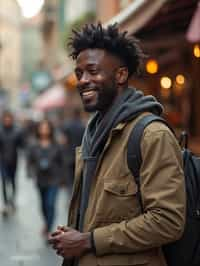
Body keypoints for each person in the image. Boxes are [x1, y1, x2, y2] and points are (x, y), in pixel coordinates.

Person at [49, 23, 186, 266]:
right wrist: (74, 232)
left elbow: (168, 221)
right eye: (79, 73)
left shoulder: (151, 135)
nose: (82, 80)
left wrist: (88, 240)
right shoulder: (93, 133)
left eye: (92, 71)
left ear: (121, 75)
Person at [27, 119, 63, 240]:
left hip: (54, 179)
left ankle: (48, 228)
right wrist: (31, 173)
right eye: (42, 128)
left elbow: (62, 161)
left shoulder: (57, 144)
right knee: (43, 205)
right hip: (40, 179)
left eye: (46, 128)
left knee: (50, 204)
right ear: (38, 130)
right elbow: (30, 161)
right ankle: (46, 223)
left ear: (50, 130)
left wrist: (63, 179)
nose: (44, 130)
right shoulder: (34, 145)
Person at [0, 110, 24, 215]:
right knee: (5, 181)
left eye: (9, 118)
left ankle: (13, 200)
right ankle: (6, 203)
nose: (7, 120)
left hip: (14, 161)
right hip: (3, 161)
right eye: (5, 118)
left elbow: (22, 145)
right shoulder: (0, 131)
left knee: (13, 181)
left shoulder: (17, 131)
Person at [61, 107, 85, 196]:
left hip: (69, 155)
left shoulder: (67, 125)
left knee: (70, 179)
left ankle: (70, 195)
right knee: (79, 177)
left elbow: (64, 141)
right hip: (80, 155)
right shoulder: (83, 126)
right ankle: (78, 195)